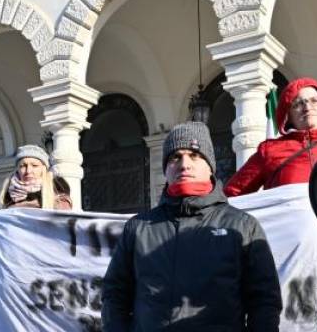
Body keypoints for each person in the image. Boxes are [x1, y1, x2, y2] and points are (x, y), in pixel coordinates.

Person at [102, 122, 282, 331]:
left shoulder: (243, 227)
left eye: (194, 155)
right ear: (166, 169)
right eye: (175, 157)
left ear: (210, 166)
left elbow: (264, 302)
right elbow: (114, 295)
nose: (184, 164)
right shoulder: (138, 228)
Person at [224, 77, 317, 196]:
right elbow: (233, 194)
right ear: (287, 115)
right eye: (298, 104)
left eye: (314, 100)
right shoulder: (269, 150)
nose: (307, 107)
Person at [0, 145, 72, 210]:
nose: (28, 171)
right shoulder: (8, 193)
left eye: (34, 166)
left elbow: (62, 221)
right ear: (17, 169)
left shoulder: (58, 192)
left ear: (43, 168)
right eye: (23, 166)